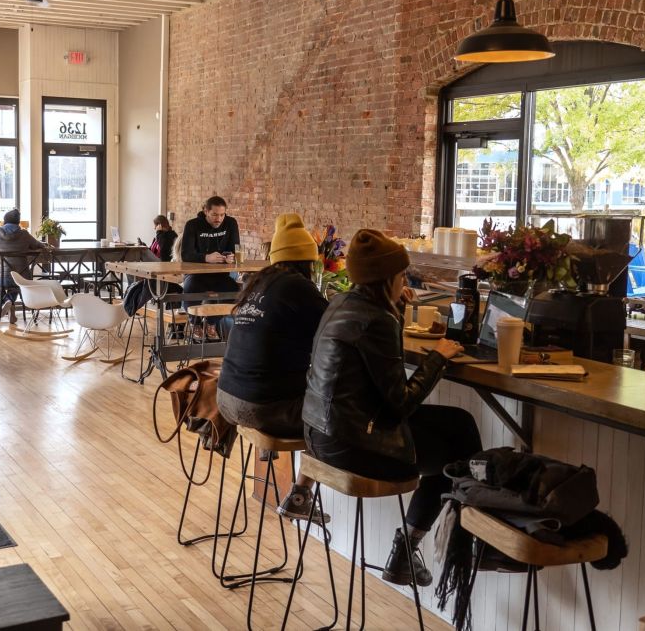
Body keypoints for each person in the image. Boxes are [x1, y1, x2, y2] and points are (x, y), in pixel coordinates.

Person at [302, 229, 481, 587]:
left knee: (460, 423)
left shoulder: (341, 302)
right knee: (457, 457)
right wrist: (437, 359)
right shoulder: (376, 320)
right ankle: (411, 549)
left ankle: (421, 546)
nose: (406, 280)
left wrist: (396, 306)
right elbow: (400, 404)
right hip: (352, 446)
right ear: (386, 279)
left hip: (320, 435)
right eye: (401, 276)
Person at [218, 213, 329, 520]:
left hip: (226, 402)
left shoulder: (259, 283)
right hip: (261, 408)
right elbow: (335, 328)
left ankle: (298, 492)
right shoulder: (298, 288)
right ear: (308, 262)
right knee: (337, 413)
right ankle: (301, 495)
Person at [180, 196, 240, 341]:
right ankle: (195, 324)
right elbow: (186, 255)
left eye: (222, 214)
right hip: (196, 275)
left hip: (220, 275)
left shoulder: (231, 223)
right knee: (189, 290)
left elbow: (236, 248)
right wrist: (206, 258)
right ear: (206, 211)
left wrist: (232, 257)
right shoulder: (192, 225)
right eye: (214, 215)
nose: (218, 219)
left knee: (237, 294)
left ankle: (212, 323)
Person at [0, 209, 49, 307]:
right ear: (18, 222)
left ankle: (3, 301)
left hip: (4, 279)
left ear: (5, 221)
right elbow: (39, 245)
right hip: (23, 278)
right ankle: (8, 301)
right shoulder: (25, 234)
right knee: (17, 280)